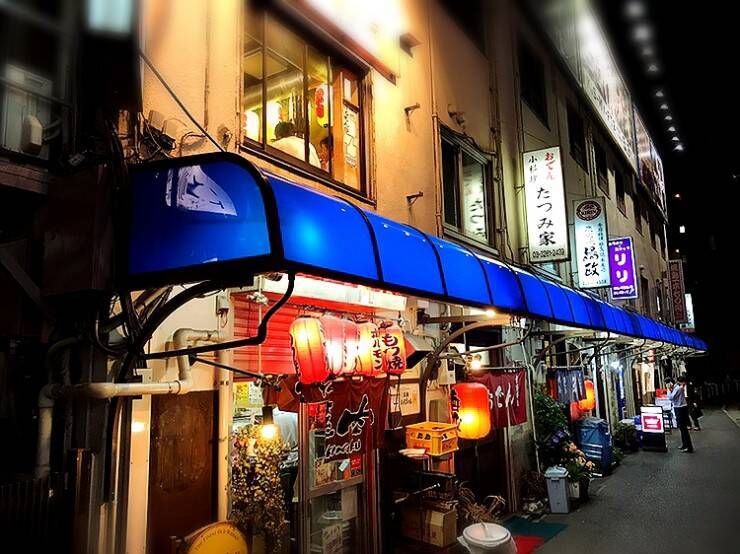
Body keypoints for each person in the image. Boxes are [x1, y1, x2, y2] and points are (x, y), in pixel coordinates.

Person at [666, 377, 694, 453]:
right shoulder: (675, 388)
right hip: (678, 408)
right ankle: (684, 444)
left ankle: (689, 447)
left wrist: (668, 389)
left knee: (683, 428)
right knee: (681, 428)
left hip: (681, 408)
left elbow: (671, 397)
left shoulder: (677, 388)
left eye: (668, 383)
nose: (667, 385)